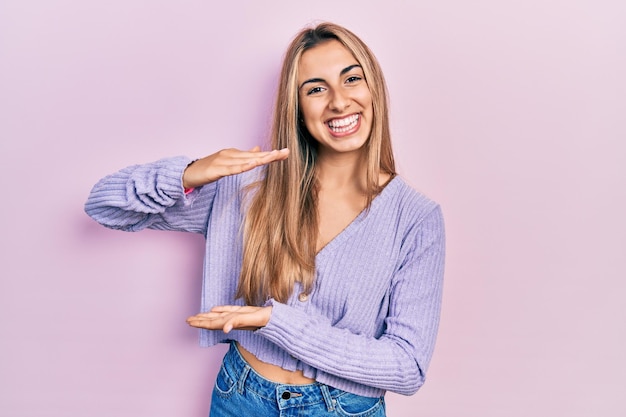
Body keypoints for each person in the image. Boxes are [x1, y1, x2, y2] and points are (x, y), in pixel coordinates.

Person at [85, 22, 445, 417]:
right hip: (239, 397)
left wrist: (276, 322)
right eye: (316, 88)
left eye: (352, 79)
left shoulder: (416, 219)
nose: (339, 102)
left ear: (373, 88)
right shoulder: (248, 188)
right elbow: (104, 205)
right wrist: (188, 173)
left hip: (342, 409)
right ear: (298, 107)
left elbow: (407, 367)